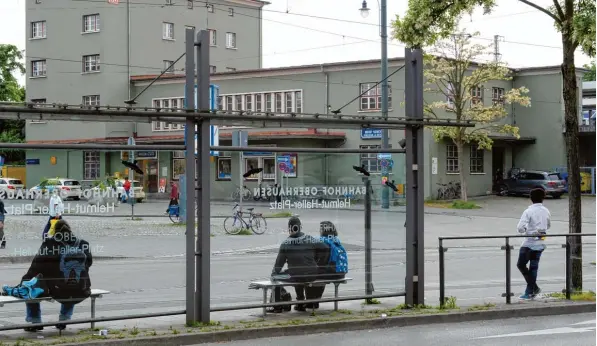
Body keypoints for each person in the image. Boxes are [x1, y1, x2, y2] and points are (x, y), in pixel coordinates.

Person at [20, 220, 92, 331]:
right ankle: (64, 318)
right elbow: (89, 263)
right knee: (72, 283)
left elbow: (35, 267)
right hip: (82, 290)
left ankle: (35, 321)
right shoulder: (84, 244)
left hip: (56, 290)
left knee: (30, 285)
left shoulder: (49, 244)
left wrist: (23, 282)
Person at [270, 216, 326, 313]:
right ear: (300, 227)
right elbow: (325, 248)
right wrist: (317, 260)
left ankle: (278, 305)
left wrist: (274, 273)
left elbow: (278, 266)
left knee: (276, 277)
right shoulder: (310, 239)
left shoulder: (286, 244)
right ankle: (300, 303)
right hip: (312, 274)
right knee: (298, 272)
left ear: (289, 229)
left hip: (295, 275)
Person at [516, 188, 550, 300]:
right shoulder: (546, 211)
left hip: (528, 243)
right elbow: (548, 225)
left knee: (521, 264)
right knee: (534, 267)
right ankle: (532, 289)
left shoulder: (528, 211)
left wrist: (526, 230)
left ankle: (531, 290)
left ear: (530, 198)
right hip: (540, 242)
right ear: (543, 198)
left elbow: (520, 228)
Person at [308, 221, 348, 308]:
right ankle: (315, 301)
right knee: (321, 272)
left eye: (320, 229)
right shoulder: (336, 240)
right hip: (341, 273)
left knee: (310, 274)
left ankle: (311, 302)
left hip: (333, 271)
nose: (319, 230)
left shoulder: (324, 242)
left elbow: (322, 262)